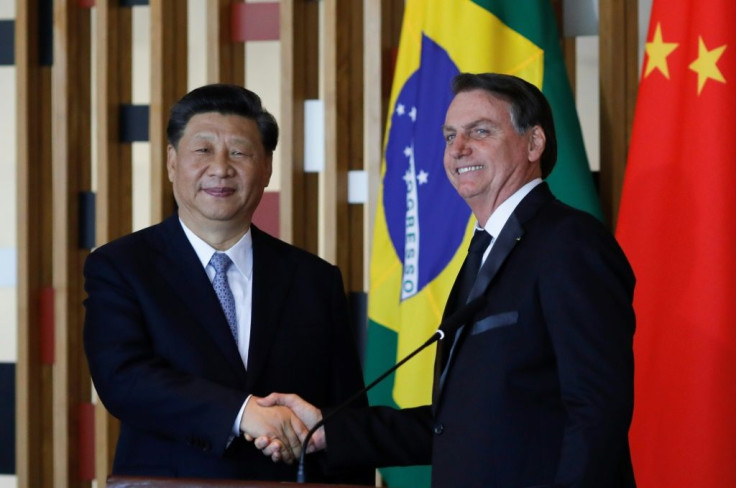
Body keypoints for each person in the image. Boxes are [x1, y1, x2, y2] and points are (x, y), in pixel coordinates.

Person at [254, 73, 637, 487]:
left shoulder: (570, 243)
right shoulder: (488, 248)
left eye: (480, 131)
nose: (458, 149)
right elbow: (453, 426)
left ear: (534, 143)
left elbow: (596, 410)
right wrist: (328, 429)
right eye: (450, 135)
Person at [83, 84, 371, 484]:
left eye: (239, 152)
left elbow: (345, 414)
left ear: (267, 166)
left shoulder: (314, 279)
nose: (220, 168)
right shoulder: (121, 266)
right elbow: (124, 380)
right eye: (202, 150)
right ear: (171, 161)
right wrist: (242, 413)